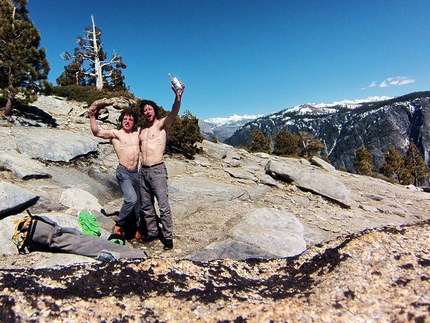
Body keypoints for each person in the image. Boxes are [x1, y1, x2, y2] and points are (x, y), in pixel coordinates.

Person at [138, 81, 185, 250]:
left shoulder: (162, 125)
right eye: (144, 110)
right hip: (142, 171)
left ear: (154, 110)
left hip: (157, 169)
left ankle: (168, 237)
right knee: (146, 205)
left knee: (163, 205)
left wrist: (177, 97)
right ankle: (152, 232)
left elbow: (174, 112)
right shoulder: (141, 130)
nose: (147, 112)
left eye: (149, 109)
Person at [89, 106, 141, 243]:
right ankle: (119, 224)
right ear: (121, 120)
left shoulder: (137, 133)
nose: (127, 121)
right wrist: (92, 116)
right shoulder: (115, 134)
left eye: (130, 119)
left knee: (138, 205)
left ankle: (137, 229)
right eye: (125, 118)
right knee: (131, 199)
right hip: (123, 171)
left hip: (136, 172)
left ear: (134, 121)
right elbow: (96, 132)